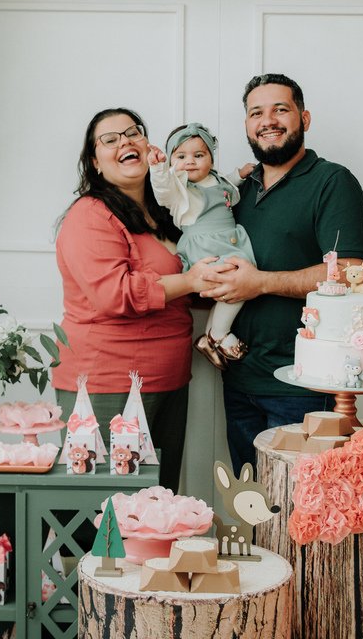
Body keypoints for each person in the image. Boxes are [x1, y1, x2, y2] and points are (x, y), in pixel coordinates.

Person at [201, 73, 363, 472]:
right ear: (246, 125)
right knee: (254, 507)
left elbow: (351, 273)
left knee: (301, 517)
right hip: (240, 381)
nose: (268, 120)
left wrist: (260, 283)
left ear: (304, 118)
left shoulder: (332, 182)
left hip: (304, 386)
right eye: (256, 112)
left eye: (281, 109)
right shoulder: (236, 191)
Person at [54, 108, 216, 490]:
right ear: (95, 162)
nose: (125, 141)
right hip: (107, 383)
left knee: (158, 508)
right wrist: (190, 277)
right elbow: (116, 294)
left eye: (133, 133)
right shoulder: (89, 215)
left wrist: (218, 279)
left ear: (147, 145)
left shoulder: (168, 213)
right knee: (106, 512)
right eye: (110, 139)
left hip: (170, 379)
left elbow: (184, 291)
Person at [148, 123, 257, 369]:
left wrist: (238, 175)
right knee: (236, 283)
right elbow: (163, 192)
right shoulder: (178, 189)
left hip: (227, 241)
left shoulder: (215, 179)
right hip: (204, 245)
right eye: (181, 156)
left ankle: (209, 338)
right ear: (171, 161)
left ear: (210, 157)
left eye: (199, 155)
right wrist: (157, 168)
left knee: (232, 285)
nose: (190, 162)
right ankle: (219, 333)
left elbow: (224, 187)